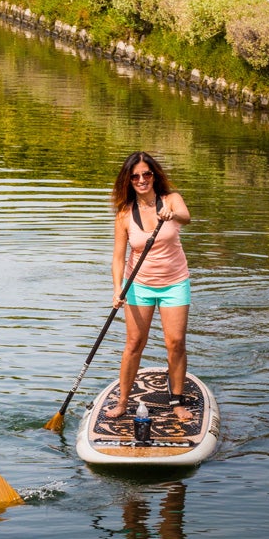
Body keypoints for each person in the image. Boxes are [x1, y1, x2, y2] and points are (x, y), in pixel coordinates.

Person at [106, 150, 193, 419]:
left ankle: (176, 401)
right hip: (139, 284)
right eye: (135, 176)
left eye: (146, 174)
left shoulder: (171, 200)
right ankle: (122, 402)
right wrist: (118, 289)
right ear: (128, 181)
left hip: (175, 283)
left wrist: (172, 214)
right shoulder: (124, 214)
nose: (141, 179)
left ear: (154, 176)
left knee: (175, 342)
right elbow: (118, 257)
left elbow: (186, 217)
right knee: (134, 343)